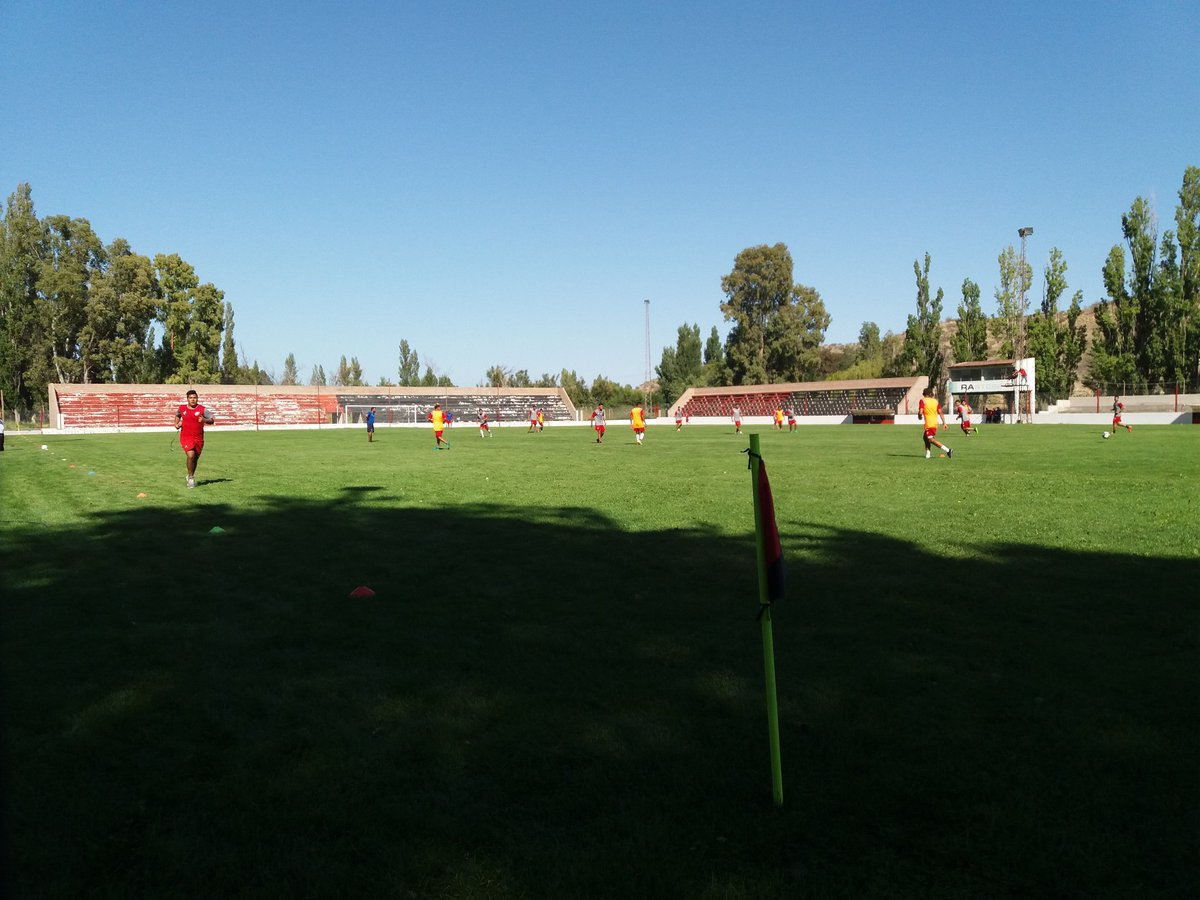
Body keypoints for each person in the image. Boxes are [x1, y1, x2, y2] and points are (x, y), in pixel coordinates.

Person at [174, 389, 214, 488]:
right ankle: (191, 478)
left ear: (197, 398)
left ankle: (190, 475)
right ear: (187, 399)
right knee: (191, 455)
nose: (193, 400)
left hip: (199, 438)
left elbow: (212, 420)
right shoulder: (182, 408)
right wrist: (176, 424)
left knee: (195, 458)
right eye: (190, 398)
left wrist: (204, 420)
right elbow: (177, 415)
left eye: (194, 398)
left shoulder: (202, 409)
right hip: (186, 437)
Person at [918, 388, 952, 459]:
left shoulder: (923, 400)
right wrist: (944, 423)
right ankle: (928, 454)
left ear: (924, 394)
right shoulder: (935, 401)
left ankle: (948, 450)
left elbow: (920, 412)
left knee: (930, 439)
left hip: (929, 424)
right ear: (930, 394)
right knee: (925, 438)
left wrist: (920, 416)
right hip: (935, 423)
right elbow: (940, 412)